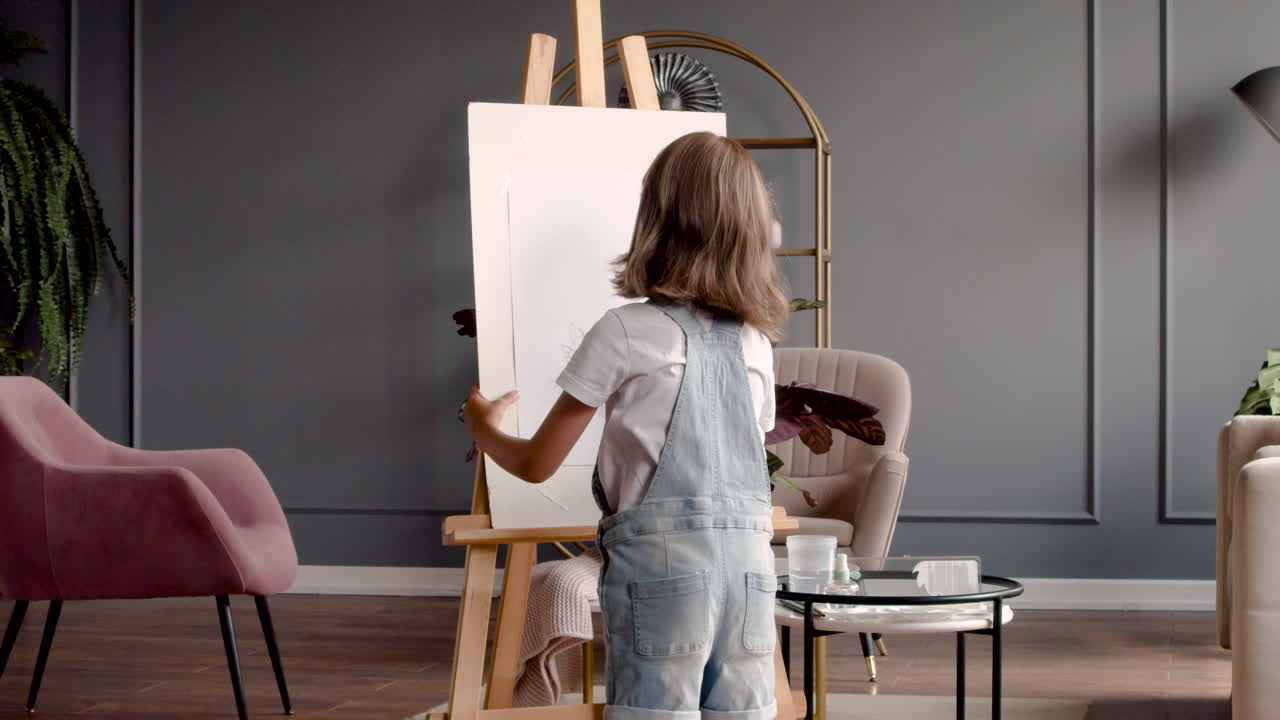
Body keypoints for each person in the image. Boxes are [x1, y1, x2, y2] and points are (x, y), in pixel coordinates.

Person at [464, 131, 787, 720]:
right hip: (750, 572)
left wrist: (483, 428)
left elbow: (538, 465)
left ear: (656, 221)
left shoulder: (624, 331)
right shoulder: (756, 342)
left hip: (662, 573)